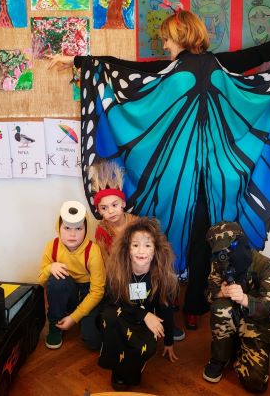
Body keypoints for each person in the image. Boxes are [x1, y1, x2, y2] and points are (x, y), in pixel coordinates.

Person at [48, 10, 270, 332]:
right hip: (204, 180)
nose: (165, 45)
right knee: (197, 244)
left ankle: (180, 303)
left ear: (181, 35)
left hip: (194, 180)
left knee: (182, 242)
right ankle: (185, 304)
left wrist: (80, 62)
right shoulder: (206, 64)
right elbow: (261, 53)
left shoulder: (197, 67)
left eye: (167, 38)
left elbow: (121, 68)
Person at [90, 159, 186, 342]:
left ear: (123, 204)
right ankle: (135, 320)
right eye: (104, 208)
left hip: (144, 270)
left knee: (163, 286)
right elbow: (105, 260)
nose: (111, 211)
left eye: (114, 205)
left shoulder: (135, 222)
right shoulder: (102, 230)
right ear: (99, 211)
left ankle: (165, 324)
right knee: (125, 298)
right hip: (122, 273)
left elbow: (153, 247)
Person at [98, 217, 179, 390]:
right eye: (135, 245)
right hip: (121, 313)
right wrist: (144, 314)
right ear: (127, 249)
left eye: (147, 245)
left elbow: (166, 310)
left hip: (144, 320)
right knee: (109, 316)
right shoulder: (117, 268)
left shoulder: (161, 275)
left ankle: (135, 365)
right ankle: (117, 369)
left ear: (156, 249)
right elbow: (113, 299)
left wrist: (169, 341)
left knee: (147, 348)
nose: (141, 251)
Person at [204, 221, 270, 393]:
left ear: (242, 242)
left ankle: (239, 348)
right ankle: (220, 357)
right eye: (220, 251)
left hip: (256, 321)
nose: (225, 255)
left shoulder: (265, 265)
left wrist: (245, 299)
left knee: (256, 383)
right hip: (231, 315)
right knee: (219, 307)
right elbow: (208, 294)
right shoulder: (219, 263)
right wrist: (220, 293)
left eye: (230, 248)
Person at [38, 200, 105, 350]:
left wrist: (74, 318)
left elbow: (97, 291)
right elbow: (41, 281)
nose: (72, 234)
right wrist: (50, 268)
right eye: (67, 228)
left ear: (86, 229)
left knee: (93, 341)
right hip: (67, 290)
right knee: (57, 279)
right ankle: (56, 324)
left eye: (79, 228)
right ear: (59, 227)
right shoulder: (52, 246)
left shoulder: (93, 251)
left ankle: (83, 317)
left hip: (87, 293)